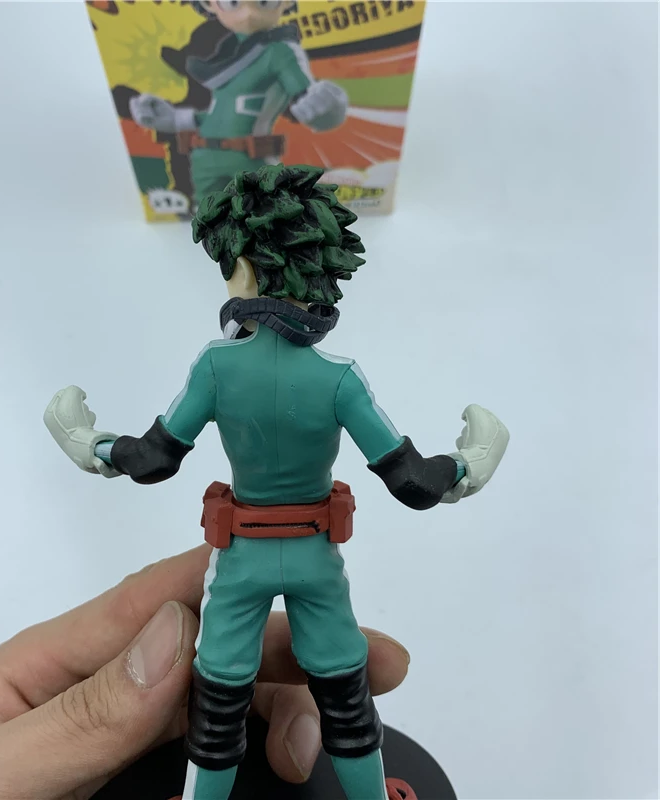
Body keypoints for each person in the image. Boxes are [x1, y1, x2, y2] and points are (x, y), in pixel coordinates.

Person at [42, 165, 509, 799]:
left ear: (248, 269)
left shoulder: (216, 367)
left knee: (219, 699)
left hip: (241, 559)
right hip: (317, 558)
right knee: (345, 694)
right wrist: (468, 463)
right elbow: (415, 483)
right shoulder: (340, 378)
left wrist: (90, 443)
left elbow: (153, 459)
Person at [0, 546, 411, 799]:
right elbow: (158, 447)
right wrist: (105, 449)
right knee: (222, 703)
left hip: (303, 558)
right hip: (250, 561)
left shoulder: (329, 377)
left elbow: (400, 463)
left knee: (341, 691)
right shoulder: (221, 371)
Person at [129, 0, 348, 204]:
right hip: (204, 158)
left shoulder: (279, 52)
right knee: (208, 218)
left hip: (249, 158)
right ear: (209, 4)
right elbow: (221, 112)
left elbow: (309, 99)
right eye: (232, 2)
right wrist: (176, 119)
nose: (248, 13)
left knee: (261, 216)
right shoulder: (226, 57)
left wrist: (329, 108)